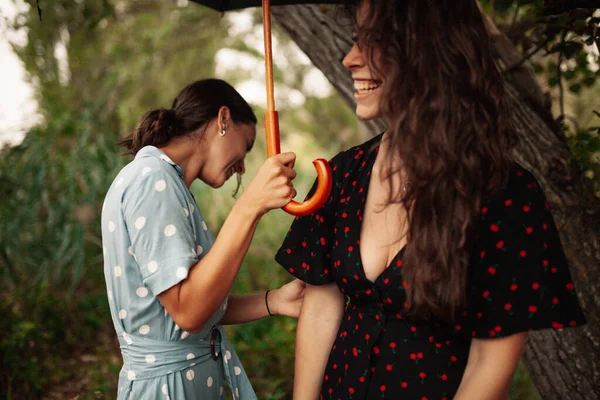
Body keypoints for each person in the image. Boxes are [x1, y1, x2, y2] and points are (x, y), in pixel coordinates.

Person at [275, 1, 587, 399]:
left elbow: (487, 366)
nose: (350, 58)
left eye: (373, 43)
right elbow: (322, 306)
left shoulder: (505, 194)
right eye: (356, 41)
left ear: (428, 51)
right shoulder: (343, 174)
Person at [102, 78, 304, 400]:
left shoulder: (168, 183)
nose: (242, 166)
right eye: (246, 145)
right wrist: (250, 206)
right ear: (223, 120)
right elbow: (189, 311)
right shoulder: (153, 179)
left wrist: (275, 301)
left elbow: (195, 304)